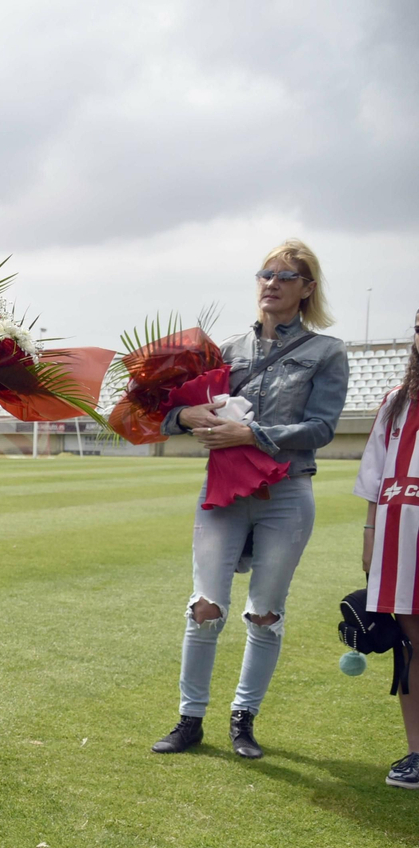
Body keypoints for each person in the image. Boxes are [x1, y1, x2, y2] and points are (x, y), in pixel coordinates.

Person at [152, 240, 348, 760]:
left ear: (307, 289)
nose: (271, 283)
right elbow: (171, 414)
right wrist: (185, 418)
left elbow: (323, 429)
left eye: (285, 277)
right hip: (223, 491)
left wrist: (250, 434)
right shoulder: (223, 352)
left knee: (265, 612)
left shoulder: (326, 352)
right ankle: (189, 719)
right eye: (265, 274)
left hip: (287, 494)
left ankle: (244, 719)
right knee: (204, 608)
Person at [353, 306, 419, 789]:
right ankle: (418, 752)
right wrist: (370, 537)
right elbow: (376, 482)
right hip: (399, 536)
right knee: (411, 649)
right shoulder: (396, 401)